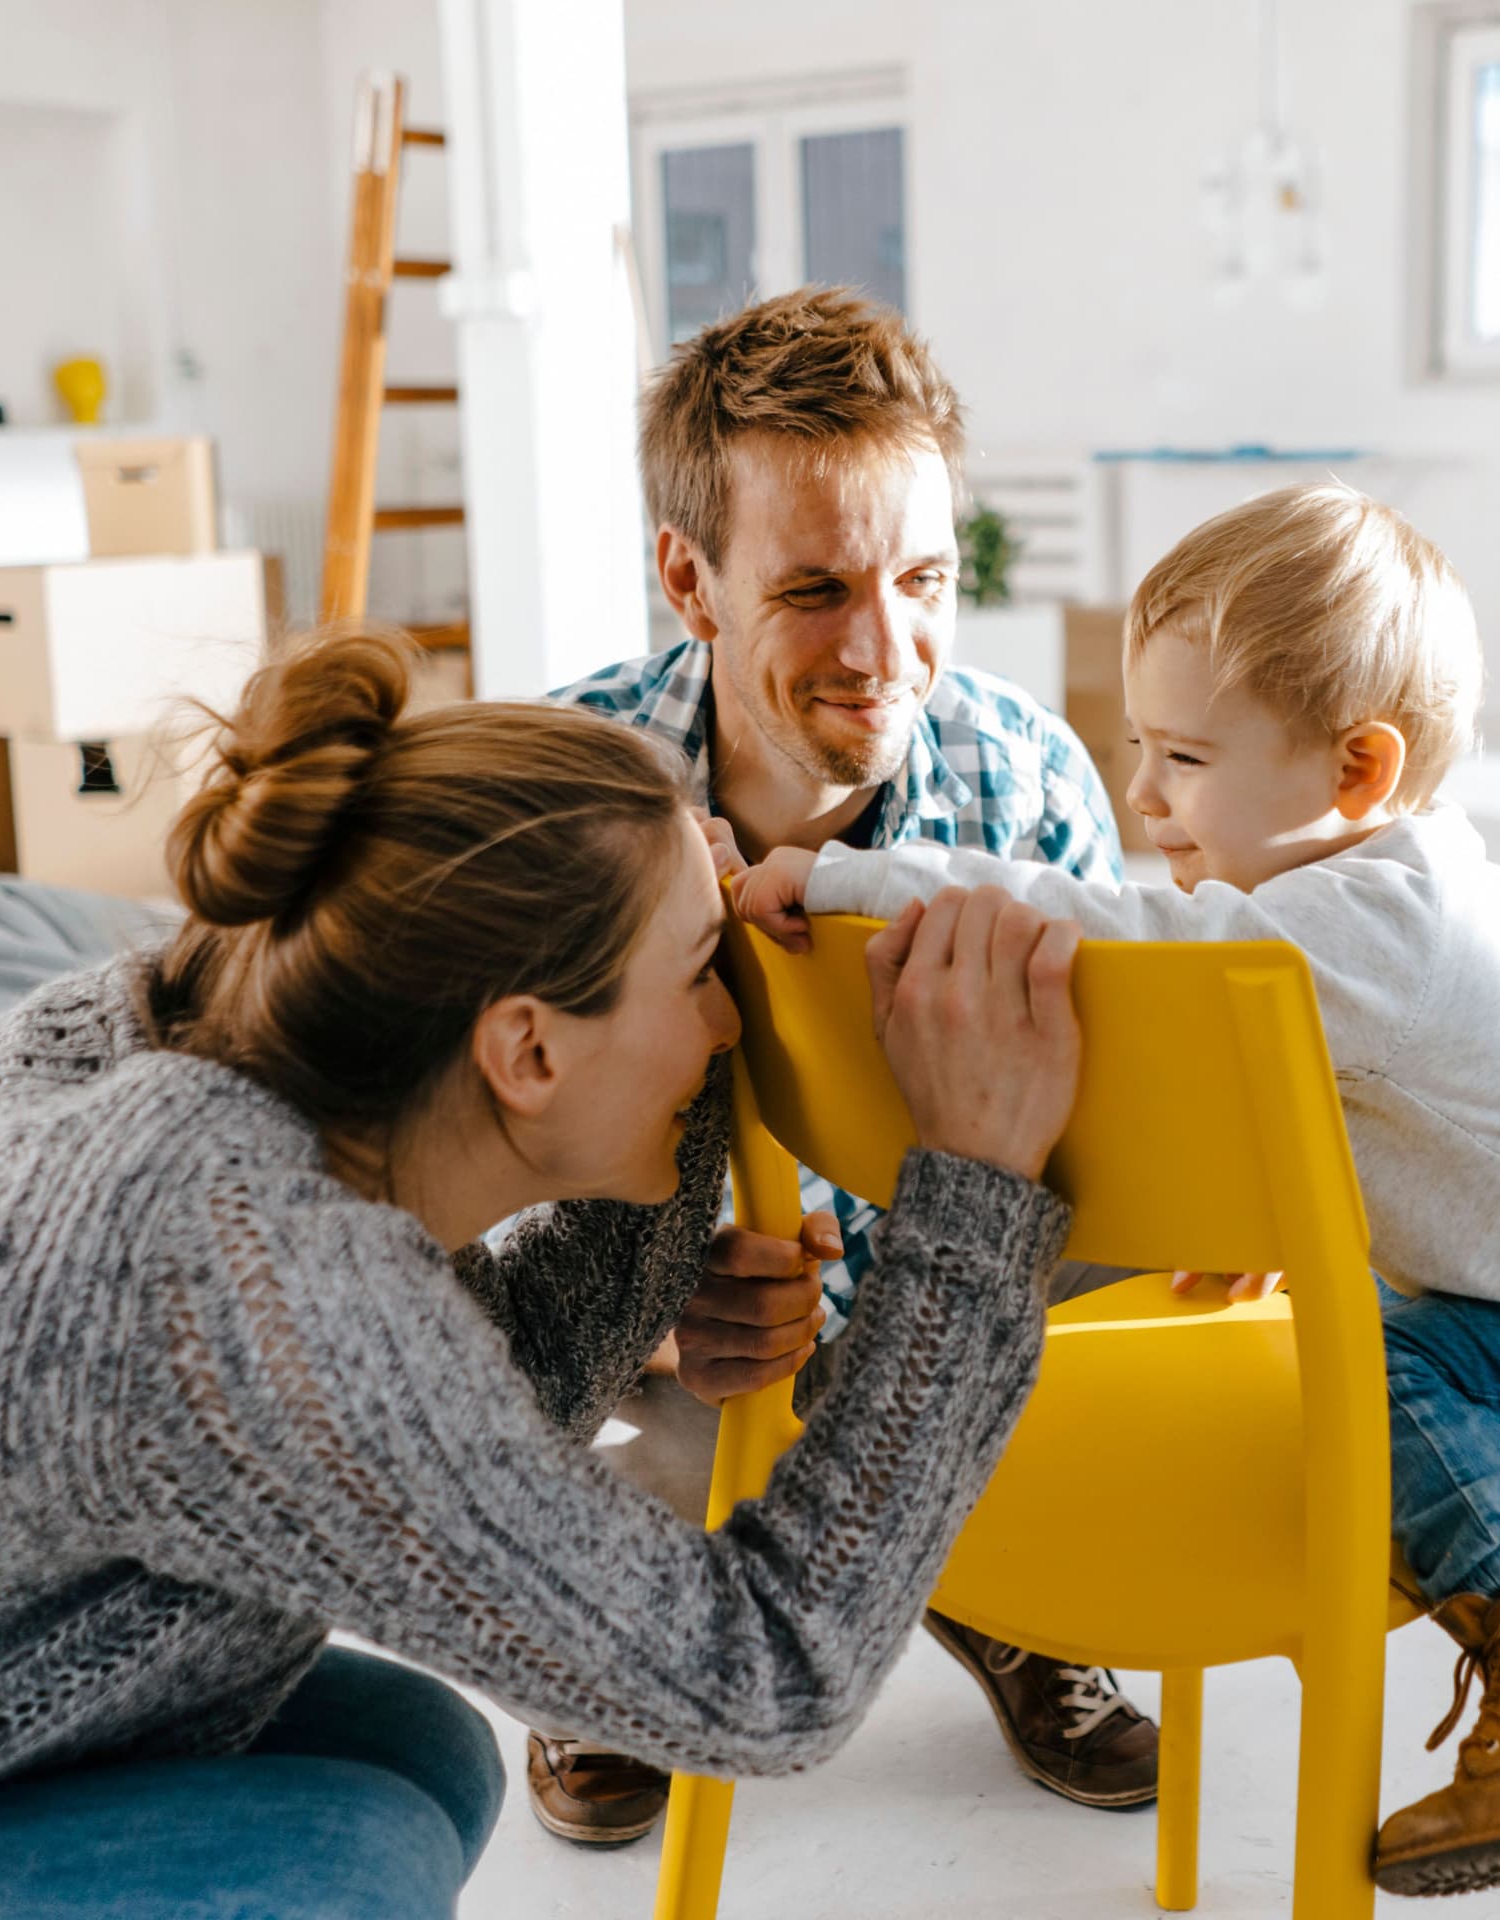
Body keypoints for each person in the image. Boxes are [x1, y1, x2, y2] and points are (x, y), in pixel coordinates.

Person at [0, 628, 1089, 1915]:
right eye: (698, 976)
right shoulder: (233, 1273)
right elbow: (767, 1675)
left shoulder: (210, 1029)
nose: (727, 1016)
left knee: (407, 1746)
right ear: (528, 1054)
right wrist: (977, 1190)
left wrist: (686, 970)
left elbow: (510, 1384)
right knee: (345, 1858)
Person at [732, 482, 1500, 1898]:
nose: (1145, 798)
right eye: (1137, 752)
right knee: (1373, 1331)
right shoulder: (1342, 917)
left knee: (1394, 1371)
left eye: (1183, 757)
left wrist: (859, 881)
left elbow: (1126, 935)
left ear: (1354, 774)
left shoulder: (1374, 921)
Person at [535, 284, 1156, 1841]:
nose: (887, 650)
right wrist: (646, 1296)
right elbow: (442, 1158)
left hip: (973, 1301)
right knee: (528, 1370)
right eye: (815, 588)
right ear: (690, 576)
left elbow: (1117, 1130)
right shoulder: (557, 796)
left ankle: (1010, 1592)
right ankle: (593, 1664)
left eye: (926, 577)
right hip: (704, 1347)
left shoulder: (1027, 777)